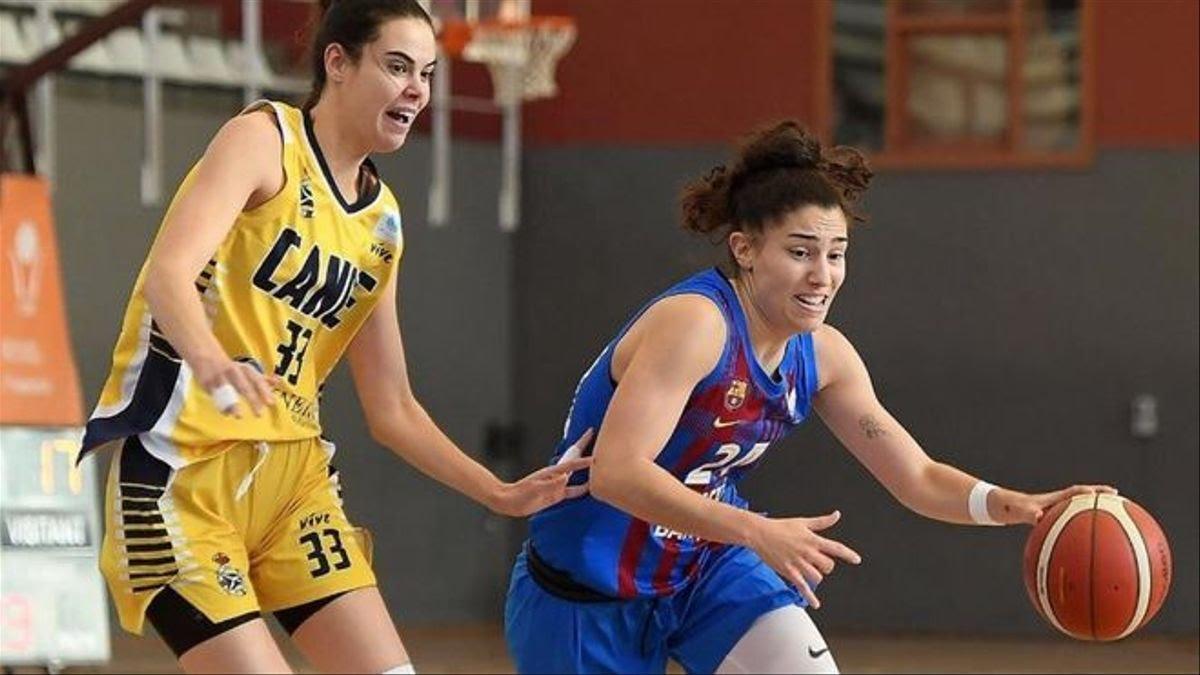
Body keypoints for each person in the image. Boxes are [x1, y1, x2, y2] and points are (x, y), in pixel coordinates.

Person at [78, 1, 587, 672]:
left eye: (428, 74)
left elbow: (393, 408)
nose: (416, 89)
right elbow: (168, 275)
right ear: (338, 62)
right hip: (182, 474)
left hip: (295, 486)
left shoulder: (382, 222)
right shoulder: (265, 138)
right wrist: (208, 359)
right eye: (397, 66)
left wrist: (498, 491)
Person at [503, 121, 1114, 674]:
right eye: (800, 253)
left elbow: (917, 476)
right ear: (745, 250)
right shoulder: (695, 324)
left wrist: (1014, 504)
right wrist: (755, 531)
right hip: (586, 590)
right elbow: (615, 474)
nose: (822, 275)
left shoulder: (823, 354)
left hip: (704, 569)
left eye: (836, 254)